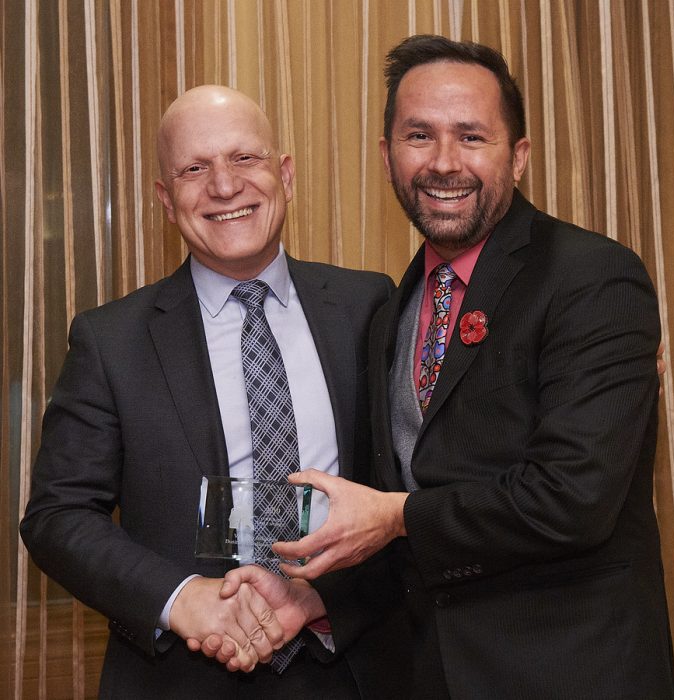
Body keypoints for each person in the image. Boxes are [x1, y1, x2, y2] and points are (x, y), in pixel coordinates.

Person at [216, 35, 674, 698]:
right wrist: (316, 602)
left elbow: (574, 499)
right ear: (387, 157)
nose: (442, 163)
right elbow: (409, 493)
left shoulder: (591, 279)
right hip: (435, 673)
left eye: (471, 137)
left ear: (517, 156)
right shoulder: (395, 306)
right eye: (418, 136)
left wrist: (399, 515)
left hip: (572, 671)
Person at [19, 85, 401, 699]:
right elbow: (57, 517)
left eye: (244, 159)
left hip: (354, 667)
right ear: (167, 202)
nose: (224, 187)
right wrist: (181, 599)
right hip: (179, 678)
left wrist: (320, 599)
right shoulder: (110, 339)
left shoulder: (368, 305)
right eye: (195, 169)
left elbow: (409, 491)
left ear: (286, 174)